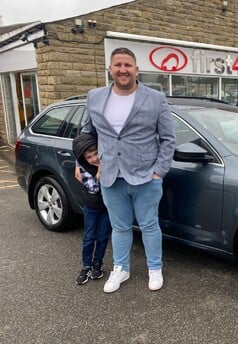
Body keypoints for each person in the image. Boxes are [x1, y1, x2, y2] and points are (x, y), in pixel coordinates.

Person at [82, 47, 176, 293]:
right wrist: (85, 164)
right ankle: (120, 269)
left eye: (127, 65)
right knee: (120, 227)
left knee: (149, 226)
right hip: (110, 176)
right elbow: (86, 134)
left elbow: (168, 139)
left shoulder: (155, 98)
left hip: (146, 176)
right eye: (117, 65)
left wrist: (159, 172)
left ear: (136, 69)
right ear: (110, 69)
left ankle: (154, 268)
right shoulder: (94, 97)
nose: (122, 70)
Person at [72, 133, 111, 285]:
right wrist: (100, 172)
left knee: (102, 236)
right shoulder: (84, 168)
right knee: (89, 237)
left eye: (96, 154)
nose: (94, 159)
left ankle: (98, 264)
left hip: (107, 207)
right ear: (84, 159)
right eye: (89, 157)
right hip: (92, 206)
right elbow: (95, 188)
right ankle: (86, 265)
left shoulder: (109, 163)